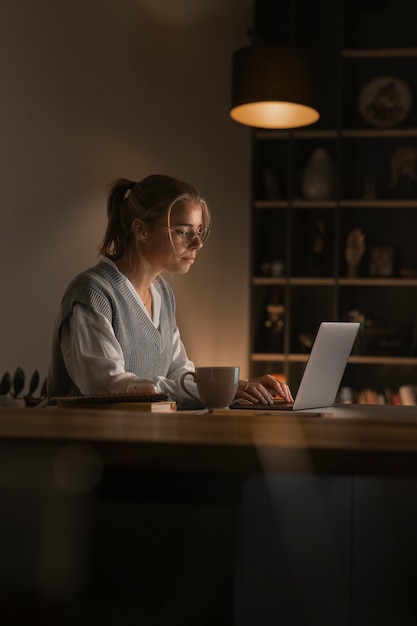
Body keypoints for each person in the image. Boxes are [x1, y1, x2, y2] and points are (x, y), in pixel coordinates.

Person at [47, 174, 293, 408]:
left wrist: (235, 389)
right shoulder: (93, 292)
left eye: (199, 232)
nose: (197, 243)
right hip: (85, 442)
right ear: (140, 229)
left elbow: (180, 373)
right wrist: (212, 390)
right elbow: (104, 385)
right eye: (183, 232)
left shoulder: (163, 294)